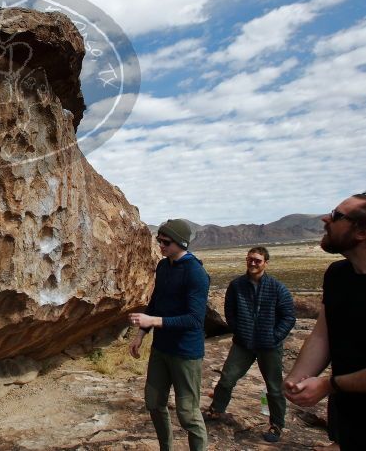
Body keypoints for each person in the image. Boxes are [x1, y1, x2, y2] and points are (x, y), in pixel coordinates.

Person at [284, 192, 366, 451]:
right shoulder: (337, 275)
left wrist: (327, 384)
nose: (325, 218)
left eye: (336, 216)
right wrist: (298, 378)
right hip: (348, 414)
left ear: (361, 231)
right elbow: (323, 334)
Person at [129, 218, 210, 451]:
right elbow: (156, 302)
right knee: (153, 402)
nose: (161, 245)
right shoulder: (164, 266)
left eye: (166, 241)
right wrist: (141, 334)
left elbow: (194, 319)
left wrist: (152, 321)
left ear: (181, 243)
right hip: (161, 349)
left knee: (187, 414)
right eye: (159, 240)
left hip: (186, 353)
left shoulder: (195, 273)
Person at [204, 246, 296, 443]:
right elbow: (230, 311)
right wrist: (239, 330)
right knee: (227, 378)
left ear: (266, 263)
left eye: (258, 260)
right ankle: (216, 410)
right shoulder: (237, 285)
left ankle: (277, 425)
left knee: (274, 387)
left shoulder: (277, 287)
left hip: (269, 346)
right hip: (243, 344)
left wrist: (275, 336)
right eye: (250, 259)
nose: (253, 263)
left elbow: (288, 316)